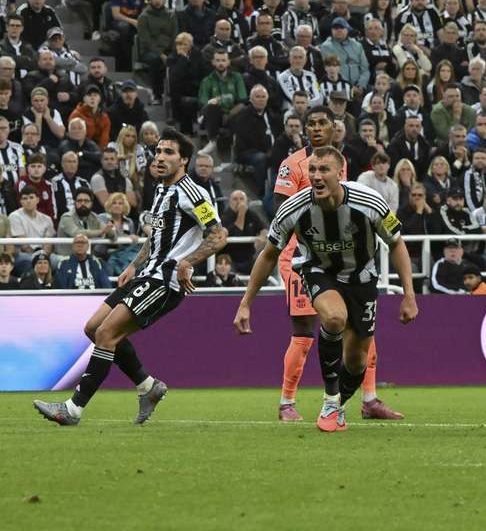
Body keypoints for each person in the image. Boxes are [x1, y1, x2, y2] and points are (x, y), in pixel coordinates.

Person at [33, 129, 228, 426]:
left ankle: (72, 409)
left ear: (184, 160)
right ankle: (148, 386)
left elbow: (219, 234)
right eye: (159, 151)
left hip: (164, 281)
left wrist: (188, 261)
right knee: (93, 328)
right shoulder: (162, 190)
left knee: (106, 334)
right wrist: (134, 265)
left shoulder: (193, 193)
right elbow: (157, 237)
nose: (160, 157)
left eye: (169, 153)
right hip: (146, 275)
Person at [234, 146, 418, 433]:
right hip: (319, 271)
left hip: (361, 278)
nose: (316, 176)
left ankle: (338, 404)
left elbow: (396, 243)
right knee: (333, 318)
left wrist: (409, 294)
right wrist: (246, 302)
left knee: (357, 361)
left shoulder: (369, 202)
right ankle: (330, 399)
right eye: (312, 170)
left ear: (340, 173)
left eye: (324, 170)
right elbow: (268, 254)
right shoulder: (294, 208)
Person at [271, 106, 403, 422]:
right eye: (310, 124)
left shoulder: (340, 163)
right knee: (304, 331)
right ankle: (287, 402)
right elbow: (281, 210)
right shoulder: (292, 165)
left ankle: (368, 399)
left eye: (322, 124)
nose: (316, 129)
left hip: (343, 258)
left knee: (360, 330)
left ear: (335, 127)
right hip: (302, 258)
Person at [56, 188, 116, 256]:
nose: (83, 204)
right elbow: (77, 234)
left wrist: (109, 230)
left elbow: (112, 235)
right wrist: (102, 231)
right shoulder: (66, 217)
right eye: (79, 201)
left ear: (91, 203)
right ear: (74, 203)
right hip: (65, 257)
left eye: (86, 201)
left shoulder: (94, 217)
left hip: (87, 258)